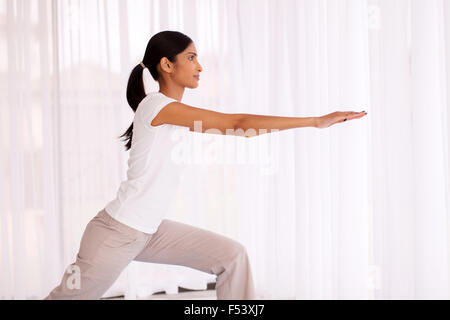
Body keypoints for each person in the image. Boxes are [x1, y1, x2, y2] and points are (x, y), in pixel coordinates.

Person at [44, 30, 367, 300]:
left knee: (232, 256)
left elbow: (241, 127)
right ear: (166, 65)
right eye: (190, 57)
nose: (200, 65)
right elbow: (239, 124)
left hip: (149, 230)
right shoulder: (158, 105)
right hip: (118, 232)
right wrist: (314, 120)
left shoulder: (168, 111)